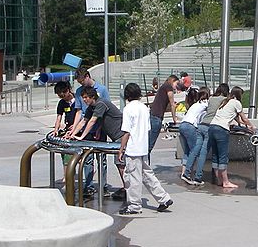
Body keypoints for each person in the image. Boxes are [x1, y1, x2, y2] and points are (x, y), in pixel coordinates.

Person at [118, 83, 173, 215]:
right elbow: (148, 128)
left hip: (133, 148)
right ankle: (163, 198)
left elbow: (126, 131)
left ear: (127, 95)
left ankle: (134, 206)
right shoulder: (144, 108)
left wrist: (121, 148)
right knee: (147, 174)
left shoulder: (128, 109)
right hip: (143, 147)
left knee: (133, 177)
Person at [69, 86, 127, 198]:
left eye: (86, 98)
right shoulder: (91, 107)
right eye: (83, 98)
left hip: (122, 135)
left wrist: (81, 137)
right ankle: (127, 188)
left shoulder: (101, 104)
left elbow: (92, 121)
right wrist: (72, 135)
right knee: (120, 164)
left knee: (121, 163)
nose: (84, 100)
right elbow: (83, 121)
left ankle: (128, 189)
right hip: (116, 137)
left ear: (92, 97)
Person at [208, 86, 255, 189]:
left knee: (215, 155)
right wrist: (252, 127)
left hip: (212, 127)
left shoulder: (226, 101)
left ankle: (219, 180)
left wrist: (243, 124)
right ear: (239, 95)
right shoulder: (237, 103)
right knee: (223, 156)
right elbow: (244, 119)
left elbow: (238, 120)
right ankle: (226, 182)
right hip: (221, 130)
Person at [73, 67, 110, 194]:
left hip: (99, 126)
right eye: (79, 82)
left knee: (102, 157)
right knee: (87, 158)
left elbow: (105, 110)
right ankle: (88, 185)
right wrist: (73, 129)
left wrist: (100, 127)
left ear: (88, 77)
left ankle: (103, 185)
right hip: (86, 127)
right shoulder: (78, 92)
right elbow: (79, 112)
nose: (81, 84)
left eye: (82, 81)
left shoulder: (102, 89)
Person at [196, 83, 230, 183]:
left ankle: (188, 173)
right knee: (208, 152)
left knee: (196, 151)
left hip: (202, 124)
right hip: (212, 125)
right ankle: (199, 176)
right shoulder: (224, 100)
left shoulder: (211, 99)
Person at [179, 87, 210, 186]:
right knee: (195, 151)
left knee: (188, 150)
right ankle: (189, 174)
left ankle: (184, 172)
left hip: (183, 125)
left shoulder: (195, 105)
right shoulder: (204, 103)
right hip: (190, 126)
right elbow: (212, 107)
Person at [148, 74, 180, 153]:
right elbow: (172, 104)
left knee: (149, 141)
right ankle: (144, 161)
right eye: (176, 83)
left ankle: (144, 161)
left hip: (154, 115)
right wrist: (174, 118)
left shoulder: (164, 87)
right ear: (172, 81)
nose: (177, 86)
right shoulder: (168, 87)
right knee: (150, 144)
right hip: (157, 117)